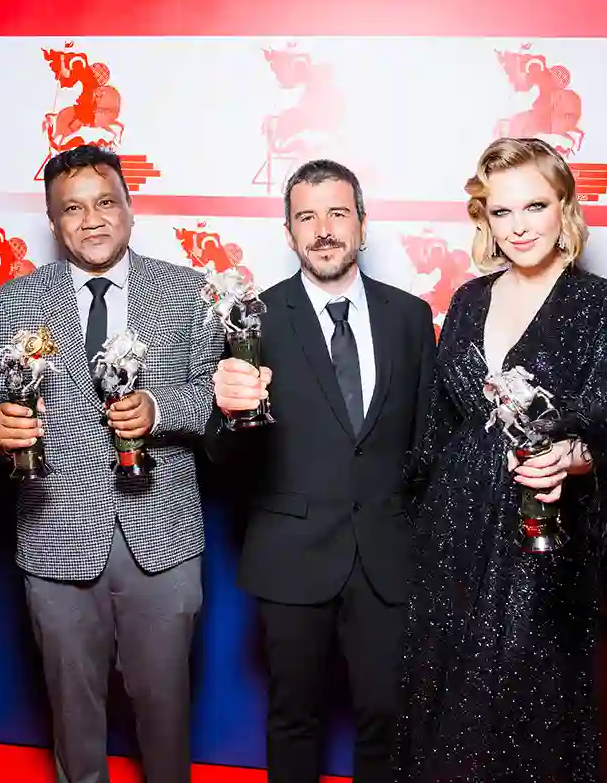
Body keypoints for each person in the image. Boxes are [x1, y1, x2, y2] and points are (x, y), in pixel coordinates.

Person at [393, 137, 607, 782]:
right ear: (485, 219)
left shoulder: (601, 304)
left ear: (564, 207)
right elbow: (438, 427)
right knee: (445, 698)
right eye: (502, 211)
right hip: (454, 532)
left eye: (535, 206)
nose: (518, 226)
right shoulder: (469, 299)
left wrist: (572, 457)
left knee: (527, 706)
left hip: (541, 534)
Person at [0, 145, 223, 783]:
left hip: (161, 536)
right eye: (72, 209)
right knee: (73, 717)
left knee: (166, 715)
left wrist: (160, 410)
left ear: (130, 209)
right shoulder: (15, 300)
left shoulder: (187, 291)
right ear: (54, 222)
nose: (92, 220)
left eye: (106, 202)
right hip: (55, 534)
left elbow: (217, 400)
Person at [206, 159, 435, 783]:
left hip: (387, 557)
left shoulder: (410, 317)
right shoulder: (249, 319)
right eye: (307, 217)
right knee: (294, 718)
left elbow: (428, 444)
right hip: (291, 556)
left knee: (388, 718)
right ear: (288, 232)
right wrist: (227, 412)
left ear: (362, 223)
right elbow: (223, 457)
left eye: (337, 213)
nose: (324, 230)